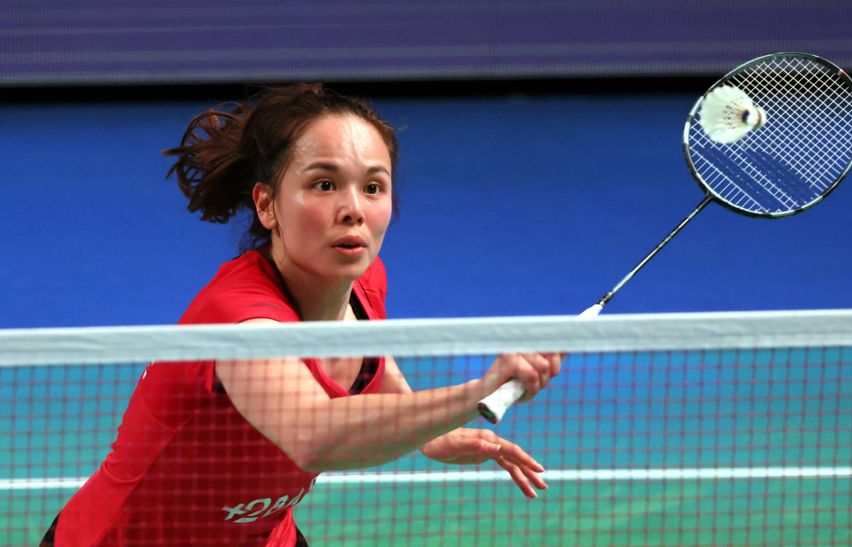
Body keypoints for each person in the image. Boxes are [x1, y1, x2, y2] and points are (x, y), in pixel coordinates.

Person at [43, 83, 562, 546]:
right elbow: (314, 435)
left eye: (373, 187)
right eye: (324, 184)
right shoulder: (240, 322)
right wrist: (474, 395)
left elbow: (369, 362)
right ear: (267, 205)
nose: (353, 209)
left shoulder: (361, 281)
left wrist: (431, 433)